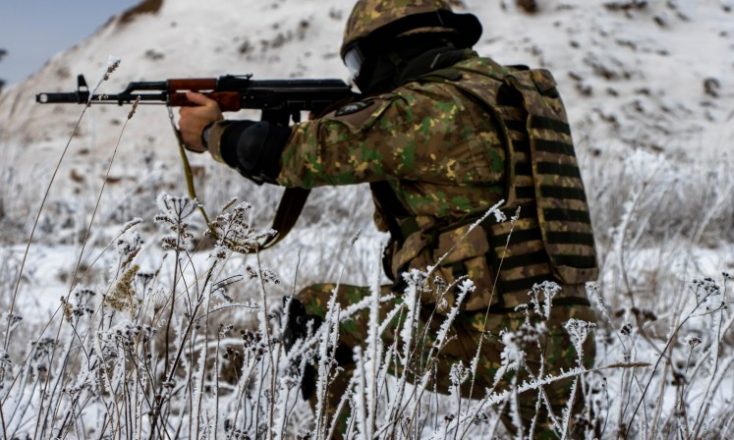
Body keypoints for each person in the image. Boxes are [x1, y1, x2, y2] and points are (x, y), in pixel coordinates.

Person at [178, 0, 599, 437]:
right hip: (568, 335)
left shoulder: (430, 105)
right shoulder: (514, 92)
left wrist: (212, 134)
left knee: (317, 312)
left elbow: (297, 156)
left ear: (390, 48)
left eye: (359, 61)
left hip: (493, 345)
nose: (359, 77)